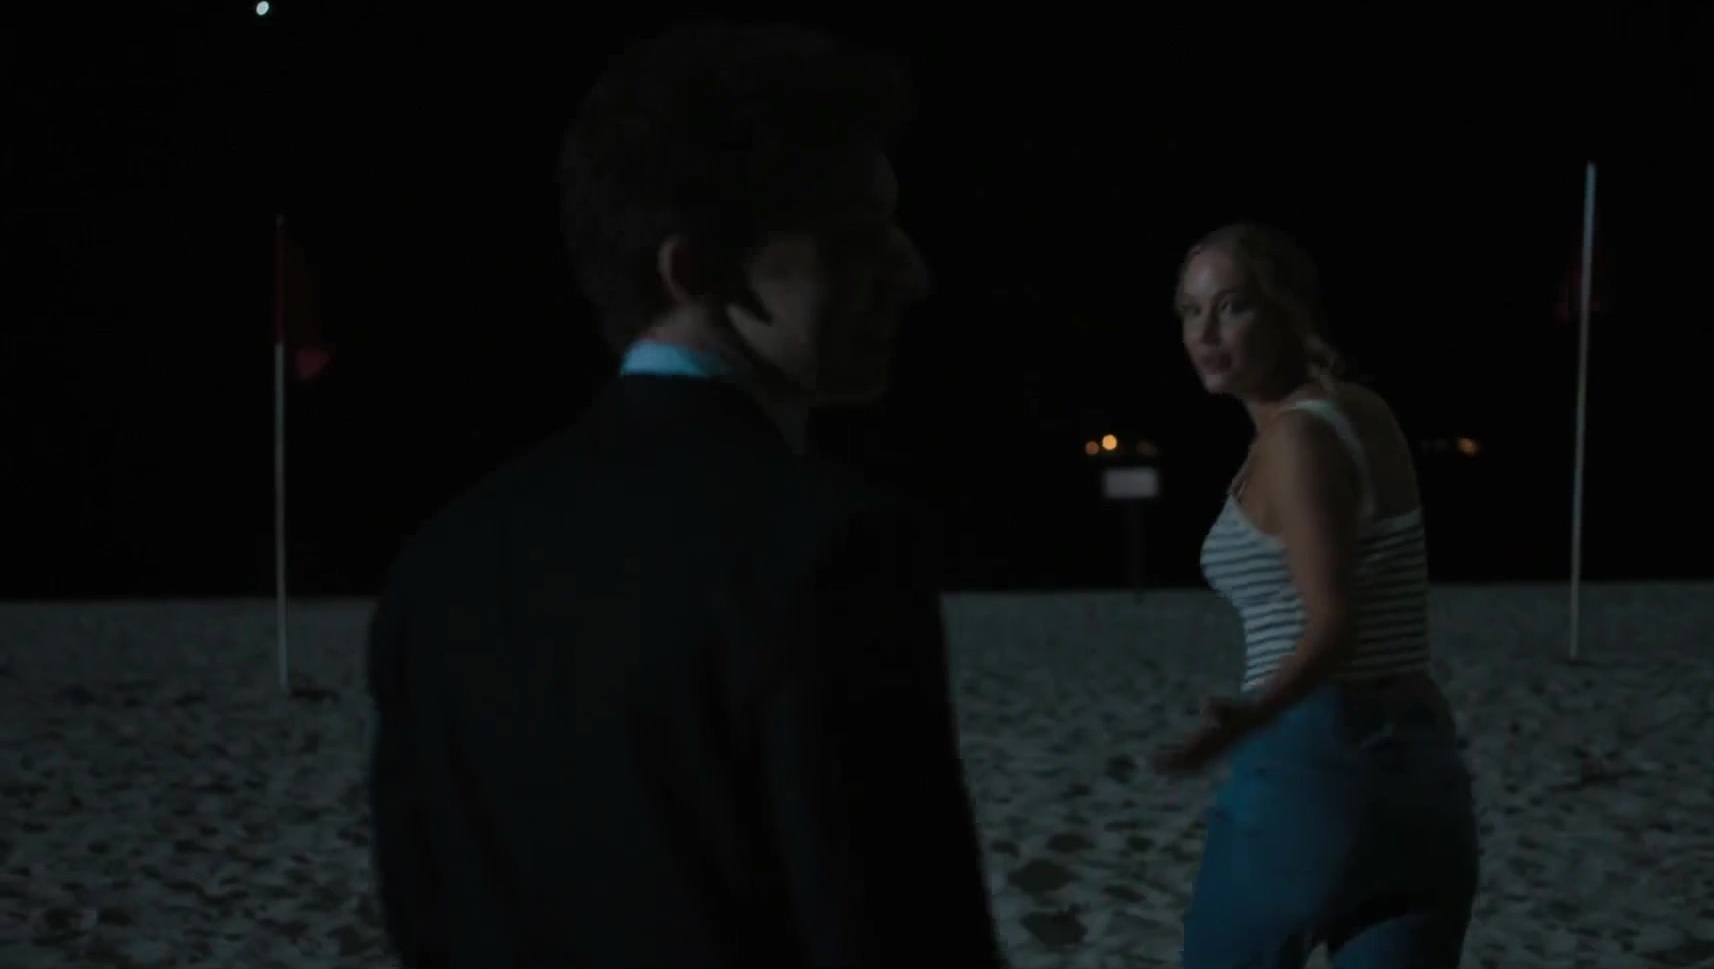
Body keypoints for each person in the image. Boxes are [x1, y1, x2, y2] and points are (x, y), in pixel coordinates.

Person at [365, 22, 1002, 968]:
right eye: (856, 235)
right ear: (696, 269)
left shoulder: (441, 566)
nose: (911, 272)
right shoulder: (828, 552)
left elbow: (424, 918)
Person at [1153, 223, 1481, 969]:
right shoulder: (1362, 411)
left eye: (1232, 307)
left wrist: (1249, 717)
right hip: (1423, 760)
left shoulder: (1296, 440)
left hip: (1314, 756)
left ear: (1286, 310)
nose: (1205, 333)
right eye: (1190, 311)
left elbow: (1334, 625)